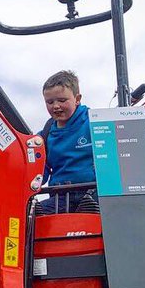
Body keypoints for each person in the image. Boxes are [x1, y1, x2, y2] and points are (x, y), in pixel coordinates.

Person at [39, 70, 97, 213]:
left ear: (77, 99)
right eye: (50, 102)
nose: (56, 106)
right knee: (28, 215)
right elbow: (38, 172)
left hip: (93, 195)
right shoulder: (45, 135)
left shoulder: (95, 123)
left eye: (62, 100)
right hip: (60, 197)